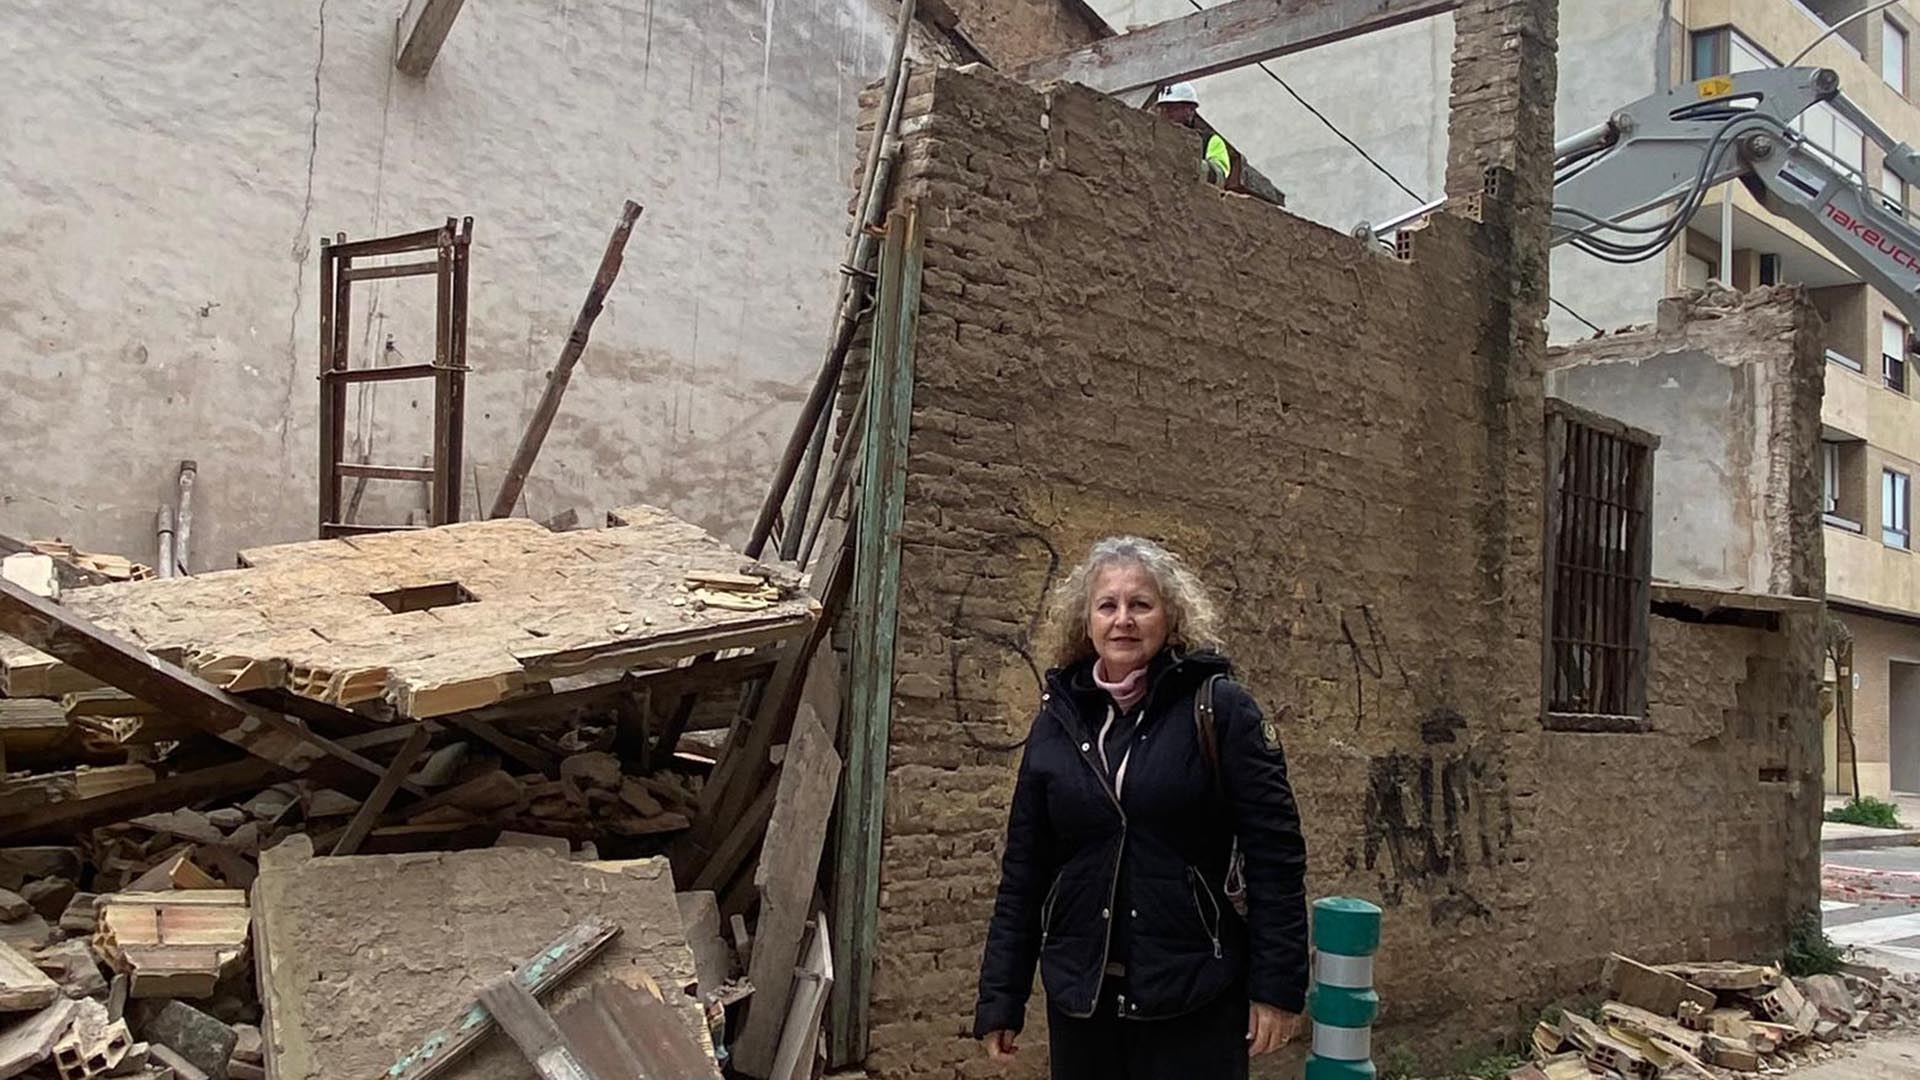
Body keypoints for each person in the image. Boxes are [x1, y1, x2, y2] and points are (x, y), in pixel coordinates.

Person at [973, 536, 1309, 1079]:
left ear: (1170, 617)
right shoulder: (1058, 722)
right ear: (1086, 622)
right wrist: (1001, 996)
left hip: (1194, 990)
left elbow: (1276, 855)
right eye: (1107, 605)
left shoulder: (1219, 709)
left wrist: (1277, 989)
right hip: (1083, 998)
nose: (1123, 620)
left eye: (1141, 605)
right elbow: (1025, 869)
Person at [1153, 82, 1237, 188]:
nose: (1166, 113)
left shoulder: (1210, 141)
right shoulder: (1154, 138)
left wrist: (1192, 164)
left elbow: (1220, 177)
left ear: (1190, 110)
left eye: (1172, 108)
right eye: (1163, 109)